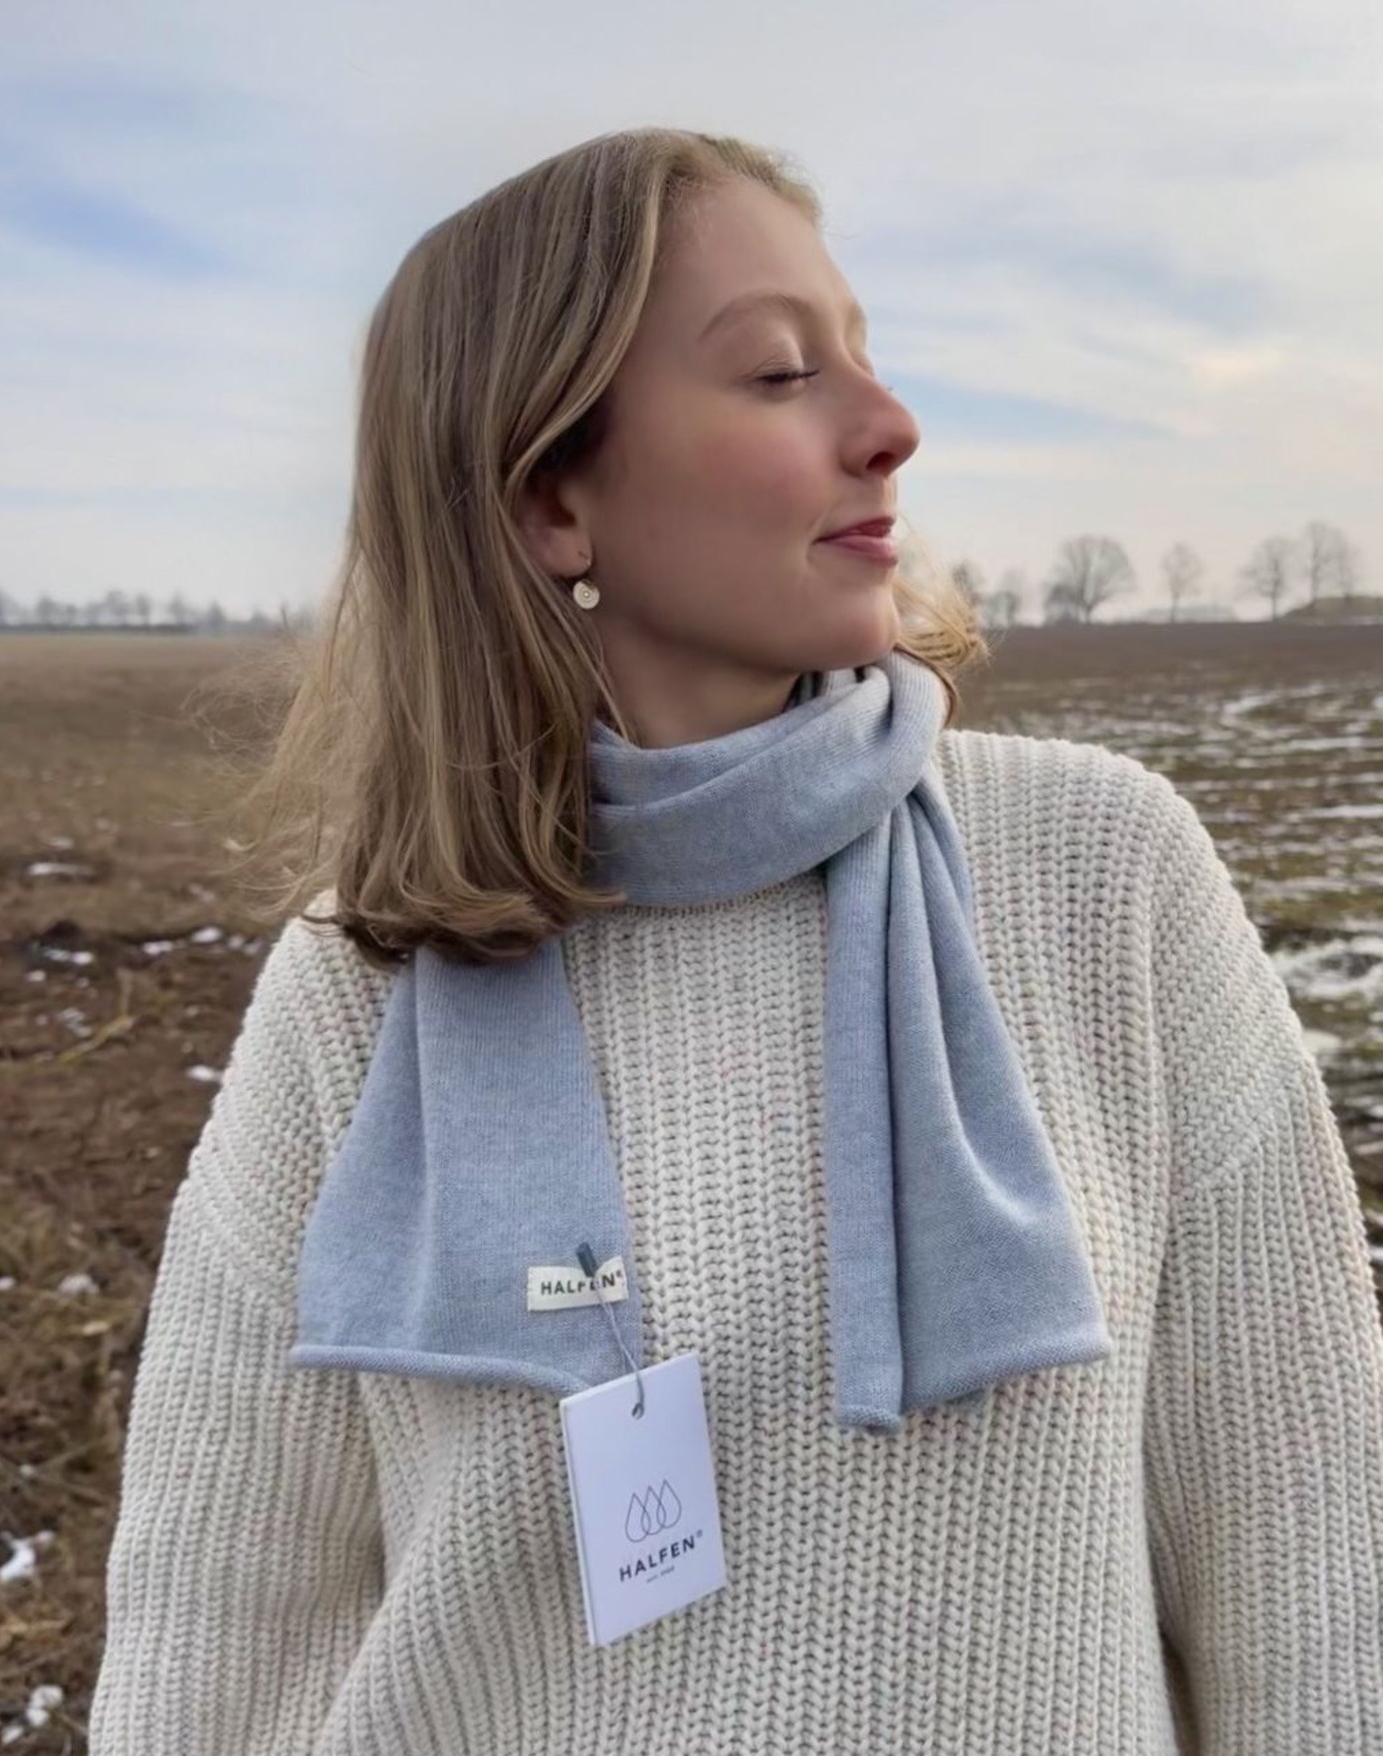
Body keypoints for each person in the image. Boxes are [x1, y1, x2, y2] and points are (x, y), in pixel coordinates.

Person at [88, 127, 1383, 1755]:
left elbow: (1318, 1570)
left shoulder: (1101, 878)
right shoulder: (364, 990)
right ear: (552, 499)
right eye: (780, 372)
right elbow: (217, 1649)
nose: (891, 427)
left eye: (864, 354)